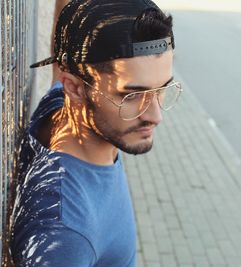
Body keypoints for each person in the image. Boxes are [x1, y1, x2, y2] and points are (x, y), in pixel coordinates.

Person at [10, 0, 182, 266]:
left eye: (161, 89)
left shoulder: (64, 108)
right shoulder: (65, 233)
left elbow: (65, 56)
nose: (155, 115)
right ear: (76, 89)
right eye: (132, 96)